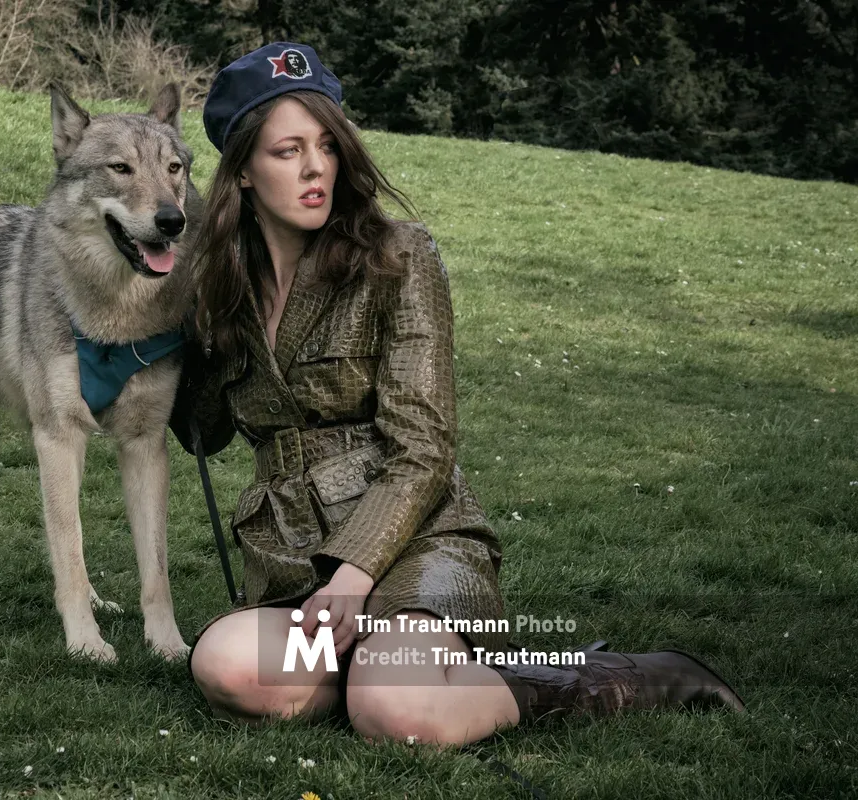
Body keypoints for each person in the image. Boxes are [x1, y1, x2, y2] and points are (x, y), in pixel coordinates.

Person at [166, 42, 745, 746]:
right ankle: (380, 672)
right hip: (294, 562)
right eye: (287, 152)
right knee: (228, 666)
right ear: (245, 174)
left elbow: (424, 447)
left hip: (417, 548)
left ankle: (628, 674)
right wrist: (169, 315)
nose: (316, 168)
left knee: (400, 715)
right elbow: (204, 431)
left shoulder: (399, 256)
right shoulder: (222, 290)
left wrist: (353, 577)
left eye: (326, 144)